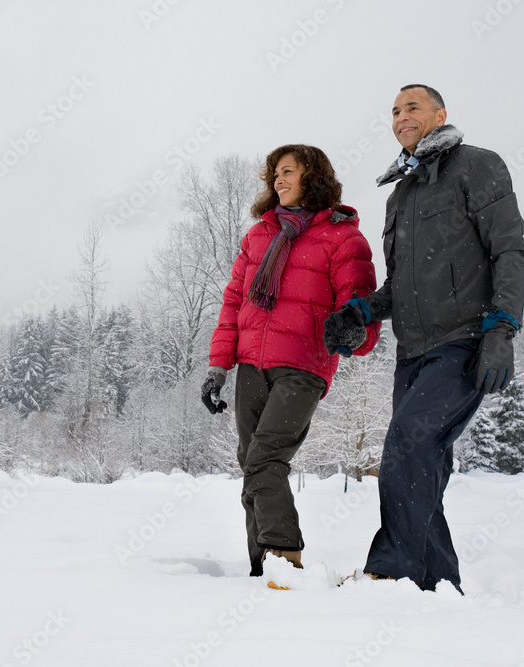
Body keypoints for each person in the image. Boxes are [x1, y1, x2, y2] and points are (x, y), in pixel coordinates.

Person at [324, 85, 524, 592]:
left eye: (411, 107)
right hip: (412, 351)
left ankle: (389, 573)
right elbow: (403, 284)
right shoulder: (401, 195)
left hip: (465, 340)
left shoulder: (475, 166)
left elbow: (511, 248)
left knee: (405, 446)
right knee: (423, 464)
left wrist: (502, 327)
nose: (400, 116)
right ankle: (438, 587)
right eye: (394, 111)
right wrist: (363, 309)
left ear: (440, 114)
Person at [202, 144, 381, 577]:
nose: (277, 180)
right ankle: (260, 569)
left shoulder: (342, 237)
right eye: (273, 174)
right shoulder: (260, 235)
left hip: (302, 365)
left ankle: (285, 556)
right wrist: (218, 366)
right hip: (250, 364)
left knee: (265, 457)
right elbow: (234, 303)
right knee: (253, 463)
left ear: (312, 176)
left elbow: (360, 306)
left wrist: (356, 333)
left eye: (287, 172)